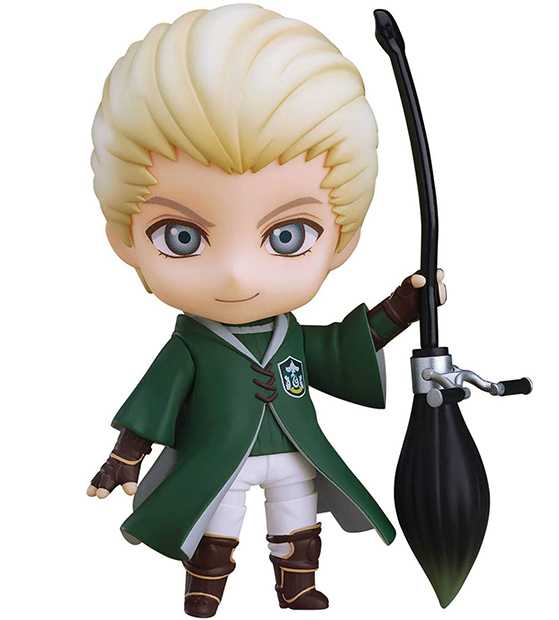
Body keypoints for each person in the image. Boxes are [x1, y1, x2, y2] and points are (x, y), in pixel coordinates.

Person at [87, 5, 446, 617]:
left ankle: (297, 582)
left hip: (293, 451)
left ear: (341, 240)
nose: (237, 273)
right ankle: (206, 584)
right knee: (215, 520)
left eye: (287, 235)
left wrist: (402, 307)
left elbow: (345, 348)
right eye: (182, 236)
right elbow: (156, 399)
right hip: (218, 458)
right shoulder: (192, 346)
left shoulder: (291, 336)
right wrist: (126, 454)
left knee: (297, 516)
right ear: (126, 239)